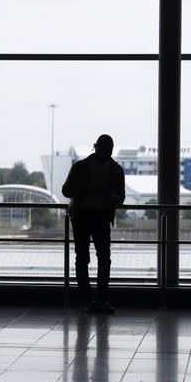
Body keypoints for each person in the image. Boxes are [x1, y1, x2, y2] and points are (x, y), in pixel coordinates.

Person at [62, 134, 125, 314]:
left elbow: (66, 190)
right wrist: (112, 198)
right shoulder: (116, 170)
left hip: (81, 216)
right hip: (101, 217)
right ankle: (101, 300)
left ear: (95, 146)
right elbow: (121, 197)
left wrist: (83, 191)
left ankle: (87, 300)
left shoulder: (80, 167)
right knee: (103, 259)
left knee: (83, 258)